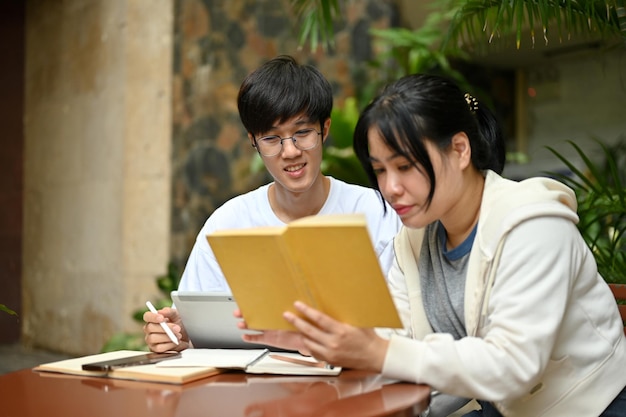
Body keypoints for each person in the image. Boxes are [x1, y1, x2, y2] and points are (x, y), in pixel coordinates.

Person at [244, 73, 626, 416]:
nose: (390, 188)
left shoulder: (534, 224)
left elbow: (512, 366)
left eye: (405, 166)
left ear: (460, 150)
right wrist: (318, 338)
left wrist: (375, 351)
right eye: (380, 170)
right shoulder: (414, 239)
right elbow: (395, 337)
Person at [143, 55, 402, 353]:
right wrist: (180, 334)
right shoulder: (226, 224)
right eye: (271, 138)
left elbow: (406, 325)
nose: (290, 151)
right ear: (253, 141)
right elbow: (199, 331)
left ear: (325, 129)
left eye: (302, 133)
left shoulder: (378, 212)